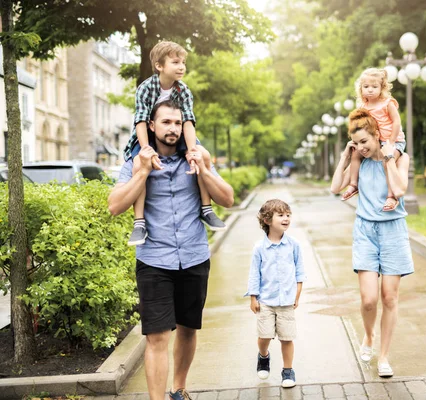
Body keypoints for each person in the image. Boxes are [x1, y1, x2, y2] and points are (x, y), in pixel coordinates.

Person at [108, 100, 234, 400]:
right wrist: (142, 173)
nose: (173, 129)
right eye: (166, 122)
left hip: (193, 256)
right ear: (151, 126)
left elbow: (227, 199)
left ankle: (178, 389)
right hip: (154, 260)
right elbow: (115, 206)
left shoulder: (195, 157)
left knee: (188, 329)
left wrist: (203, 169)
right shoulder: (135, 162)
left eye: (178, 123)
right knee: (157, 336)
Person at [330, 109, 414, 378]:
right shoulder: (358, 161)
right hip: (365, 231)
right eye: (357, 144)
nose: (362, 148)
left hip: (393, 231)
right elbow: (334, 188)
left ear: (378, 135)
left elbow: (399, 190)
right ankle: (368, 336)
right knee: (369, 300)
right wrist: (346, 156)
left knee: (389, 296)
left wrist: (387, 156)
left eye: (365, 141)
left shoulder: (400, 158)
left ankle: (384, 356)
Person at [123, 41, 226, 247]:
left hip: (177, 134)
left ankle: (206, 209)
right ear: (160, 66)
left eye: (183, 63)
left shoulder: (184, 91)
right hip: (148, 135)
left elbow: (188, 122)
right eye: (175, 62)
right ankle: (139, 223)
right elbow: (140, 122)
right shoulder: (146, 88)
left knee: (201, 156)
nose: (181, 67)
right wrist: (146, 149)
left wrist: (191, 150)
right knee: (139, 165)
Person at [246, 199, 306, 388]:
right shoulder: (259, 248)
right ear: (267, 220)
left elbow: (300, 272)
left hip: (287, 301)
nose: (286, 218)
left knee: (287, 338)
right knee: (264, 336)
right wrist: (253, 297)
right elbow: (254, 274)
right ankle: (263, 356)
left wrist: (297, 294)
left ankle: (287, 371)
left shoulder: (294, 245)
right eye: (281, 215)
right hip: (266, 301)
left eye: (288, 214)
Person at [341, 68, 406, 212]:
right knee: (355, 154)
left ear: (381, 88)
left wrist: (391, 142)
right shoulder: (363, 106)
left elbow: (396, 122)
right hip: (375, 142)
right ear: (361, 88)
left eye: (374, 87)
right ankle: (353, 185)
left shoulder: (387, 103)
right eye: (366, 87)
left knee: (387, 161)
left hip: (394, 141)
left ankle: (391, 196)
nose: (370, 90)